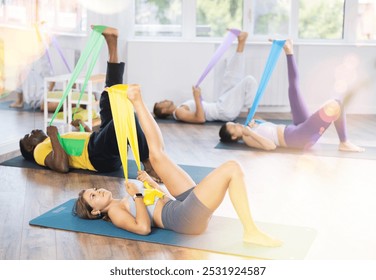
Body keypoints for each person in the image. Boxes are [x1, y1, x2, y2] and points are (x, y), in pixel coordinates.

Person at [73, 81, 282, 247]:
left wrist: (150, 184)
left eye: (94, 189)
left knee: (157, 156)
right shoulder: (116, 212)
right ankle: (251, 232)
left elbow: (161, 200)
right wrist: (137, 194)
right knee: (232, 167)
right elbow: (144, 228)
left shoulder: (121, 199)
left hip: (177, 204)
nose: (98, 190)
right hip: (184, 218)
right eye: (93, 196)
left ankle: (137, 101)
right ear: (95, 212)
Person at [19, 26, 159, 180]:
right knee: (126, 116)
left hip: (97, 147)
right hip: (97, 157)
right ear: (29, 147)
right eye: (28, 136)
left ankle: (112, 42)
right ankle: (148, 163)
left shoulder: (48, 143)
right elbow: (62, 166)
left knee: (109, 98)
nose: (32, 132)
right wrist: (53, 135)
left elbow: (76, 149)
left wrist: (84, 128)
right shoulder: (39, 151)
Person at [219, 39, 365, 153]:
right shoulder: (248, 138)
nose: (237, 124)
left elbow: (270, 129)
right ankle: (344, 142)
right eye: (234, 127)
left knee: (293, 90)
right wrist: (250, 132)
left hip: (295, 128)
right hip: (299, 137)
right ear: (233, 137)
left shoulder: (249, 129)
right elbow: (270, 146)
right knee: (336, 104)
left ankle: (289, 50)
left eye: (234, 123)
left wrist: (257, 123)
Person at [153, 31, 257, 124]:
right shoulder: (179, 113)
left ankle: (241, 41)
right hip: (224, 111)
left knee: (231, 76)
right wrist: (197, 97)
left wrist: (197, 97)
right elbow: (200, 119)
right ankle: (251, 116)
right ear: (163, 111)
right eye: (162, 102)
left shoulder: (180, 108)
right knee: (249, 81)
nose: (165, 99)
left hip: (221, 105)